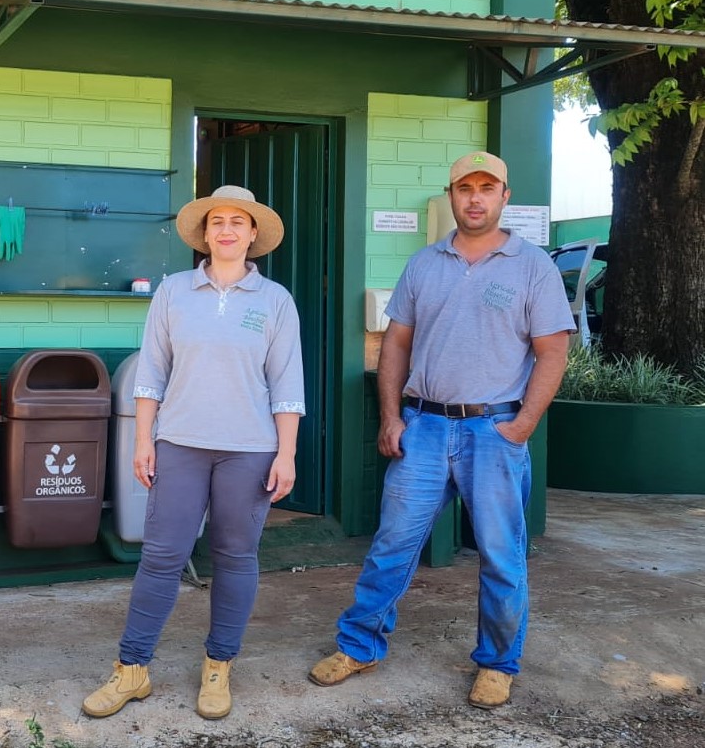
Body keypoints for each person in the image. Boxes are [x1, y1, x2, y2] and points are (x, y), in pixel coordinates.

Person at [308, 151, 574, 710]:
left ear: (504, 196)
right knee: (392, 545)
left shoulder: (533, 267)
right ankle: (359, 645)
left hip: (495, 429)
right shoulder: (423, 264)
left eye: (487, 187)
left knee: (502, 554)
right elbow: (396, 344)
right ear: (451, 196)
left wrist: (523, 424)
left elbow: (553, 351)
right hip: (424, 426)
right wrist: (390, 416)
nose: (474, 198)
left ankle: (498, 663)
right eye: (464, 188)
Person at [82, 185, 305, 721]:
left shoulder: (275, 301)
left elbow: (287, 382)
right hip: (179, 445)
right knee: (160, 559)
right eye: (217, 221)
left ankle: (218, 665)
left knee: (234, 558)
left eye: (238, 221)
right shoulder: (174, 292)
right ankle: (132, 669)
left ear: (253, 235)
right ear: (204, 233)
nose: (226, 229)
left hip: (250, 451)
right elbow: (152, 371)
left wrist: (287, 454)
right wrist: (144, 441)